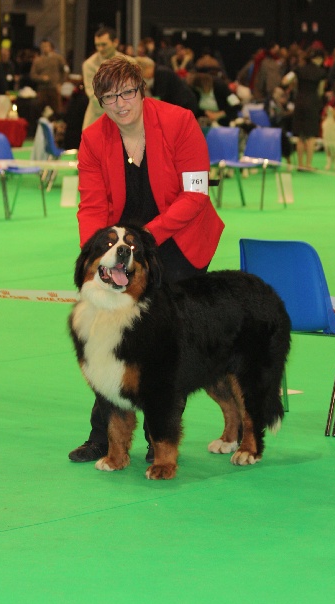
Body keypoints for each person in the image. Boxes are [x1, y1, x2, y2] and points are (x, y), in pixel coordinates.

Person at [69, 56, 225, 464]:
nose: (120, 104)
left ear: (142, 88)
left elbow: (195, 195)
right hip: (122, 247)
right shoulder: (92, 139)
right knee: (107, 340)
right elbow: (91, 205)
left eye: (127, 92)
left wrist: (146, 240)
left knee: (166, 348)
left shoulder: (179, 122)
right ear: (98, 101)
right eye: (108, 97)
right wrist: (99, 254)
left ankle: (161, 439)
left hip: (180, 240)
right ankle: (102, 438)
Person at [287, 46, 327, 170]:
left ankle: (300, 164)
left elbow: (285, 80)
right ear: (319, 59)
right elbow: (320, 91)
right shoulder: (321, 72)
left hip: (299, 103)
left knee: (300, 136)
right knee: (311, 136)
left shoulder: (299, 69)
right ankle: (308, 165)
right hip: (312, 103)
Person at [81, 27, 123, 129]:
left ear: (115, 42)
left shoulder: (127, 62)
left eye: (104, 45)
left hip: (123, 118)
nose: (100, 49)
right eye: (97, 45)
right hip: (96, 117)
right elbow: (93, 95)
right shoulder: (89, 65)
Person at [29, 38, 66, 114]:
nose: (45, 48)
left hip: (54, 88)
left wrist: (61, 83)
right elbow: (32, 75)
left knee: (57, 111)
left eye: (46, 46)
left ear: (51, 47)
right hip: (42, 89)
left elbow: (65, 71)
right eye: (43, 46)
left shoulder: (58, 58)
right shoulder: (37, 60)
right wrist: (41, 78)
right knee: (39, 111)